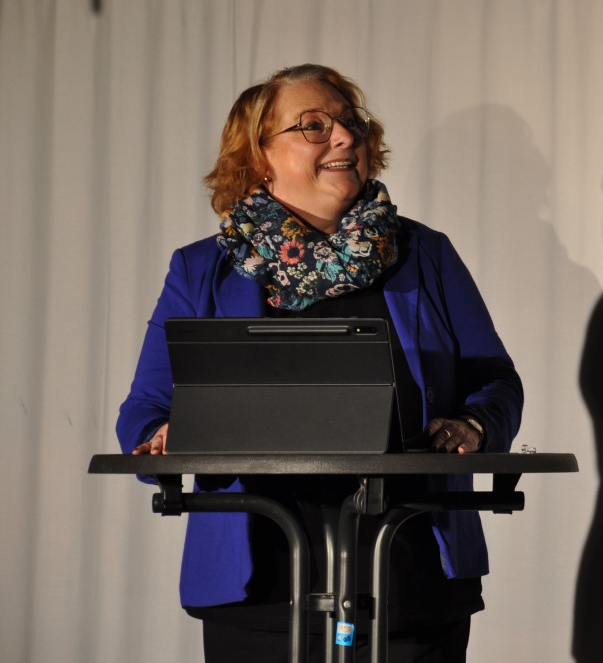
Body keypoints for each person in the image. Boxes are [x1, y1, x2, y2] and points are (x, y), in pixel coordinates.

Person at [116, 63, 523, 662]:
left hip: (409, 576)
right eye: (313, 126)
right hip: (257, 587)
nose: (345, 136)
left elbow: (496, 380)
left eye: (351, 122)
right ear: (259, 156)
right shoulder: (201, 270)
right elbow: (144, 410)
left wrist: (475, 425)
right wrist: (164, 436)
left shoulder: (426, 254)